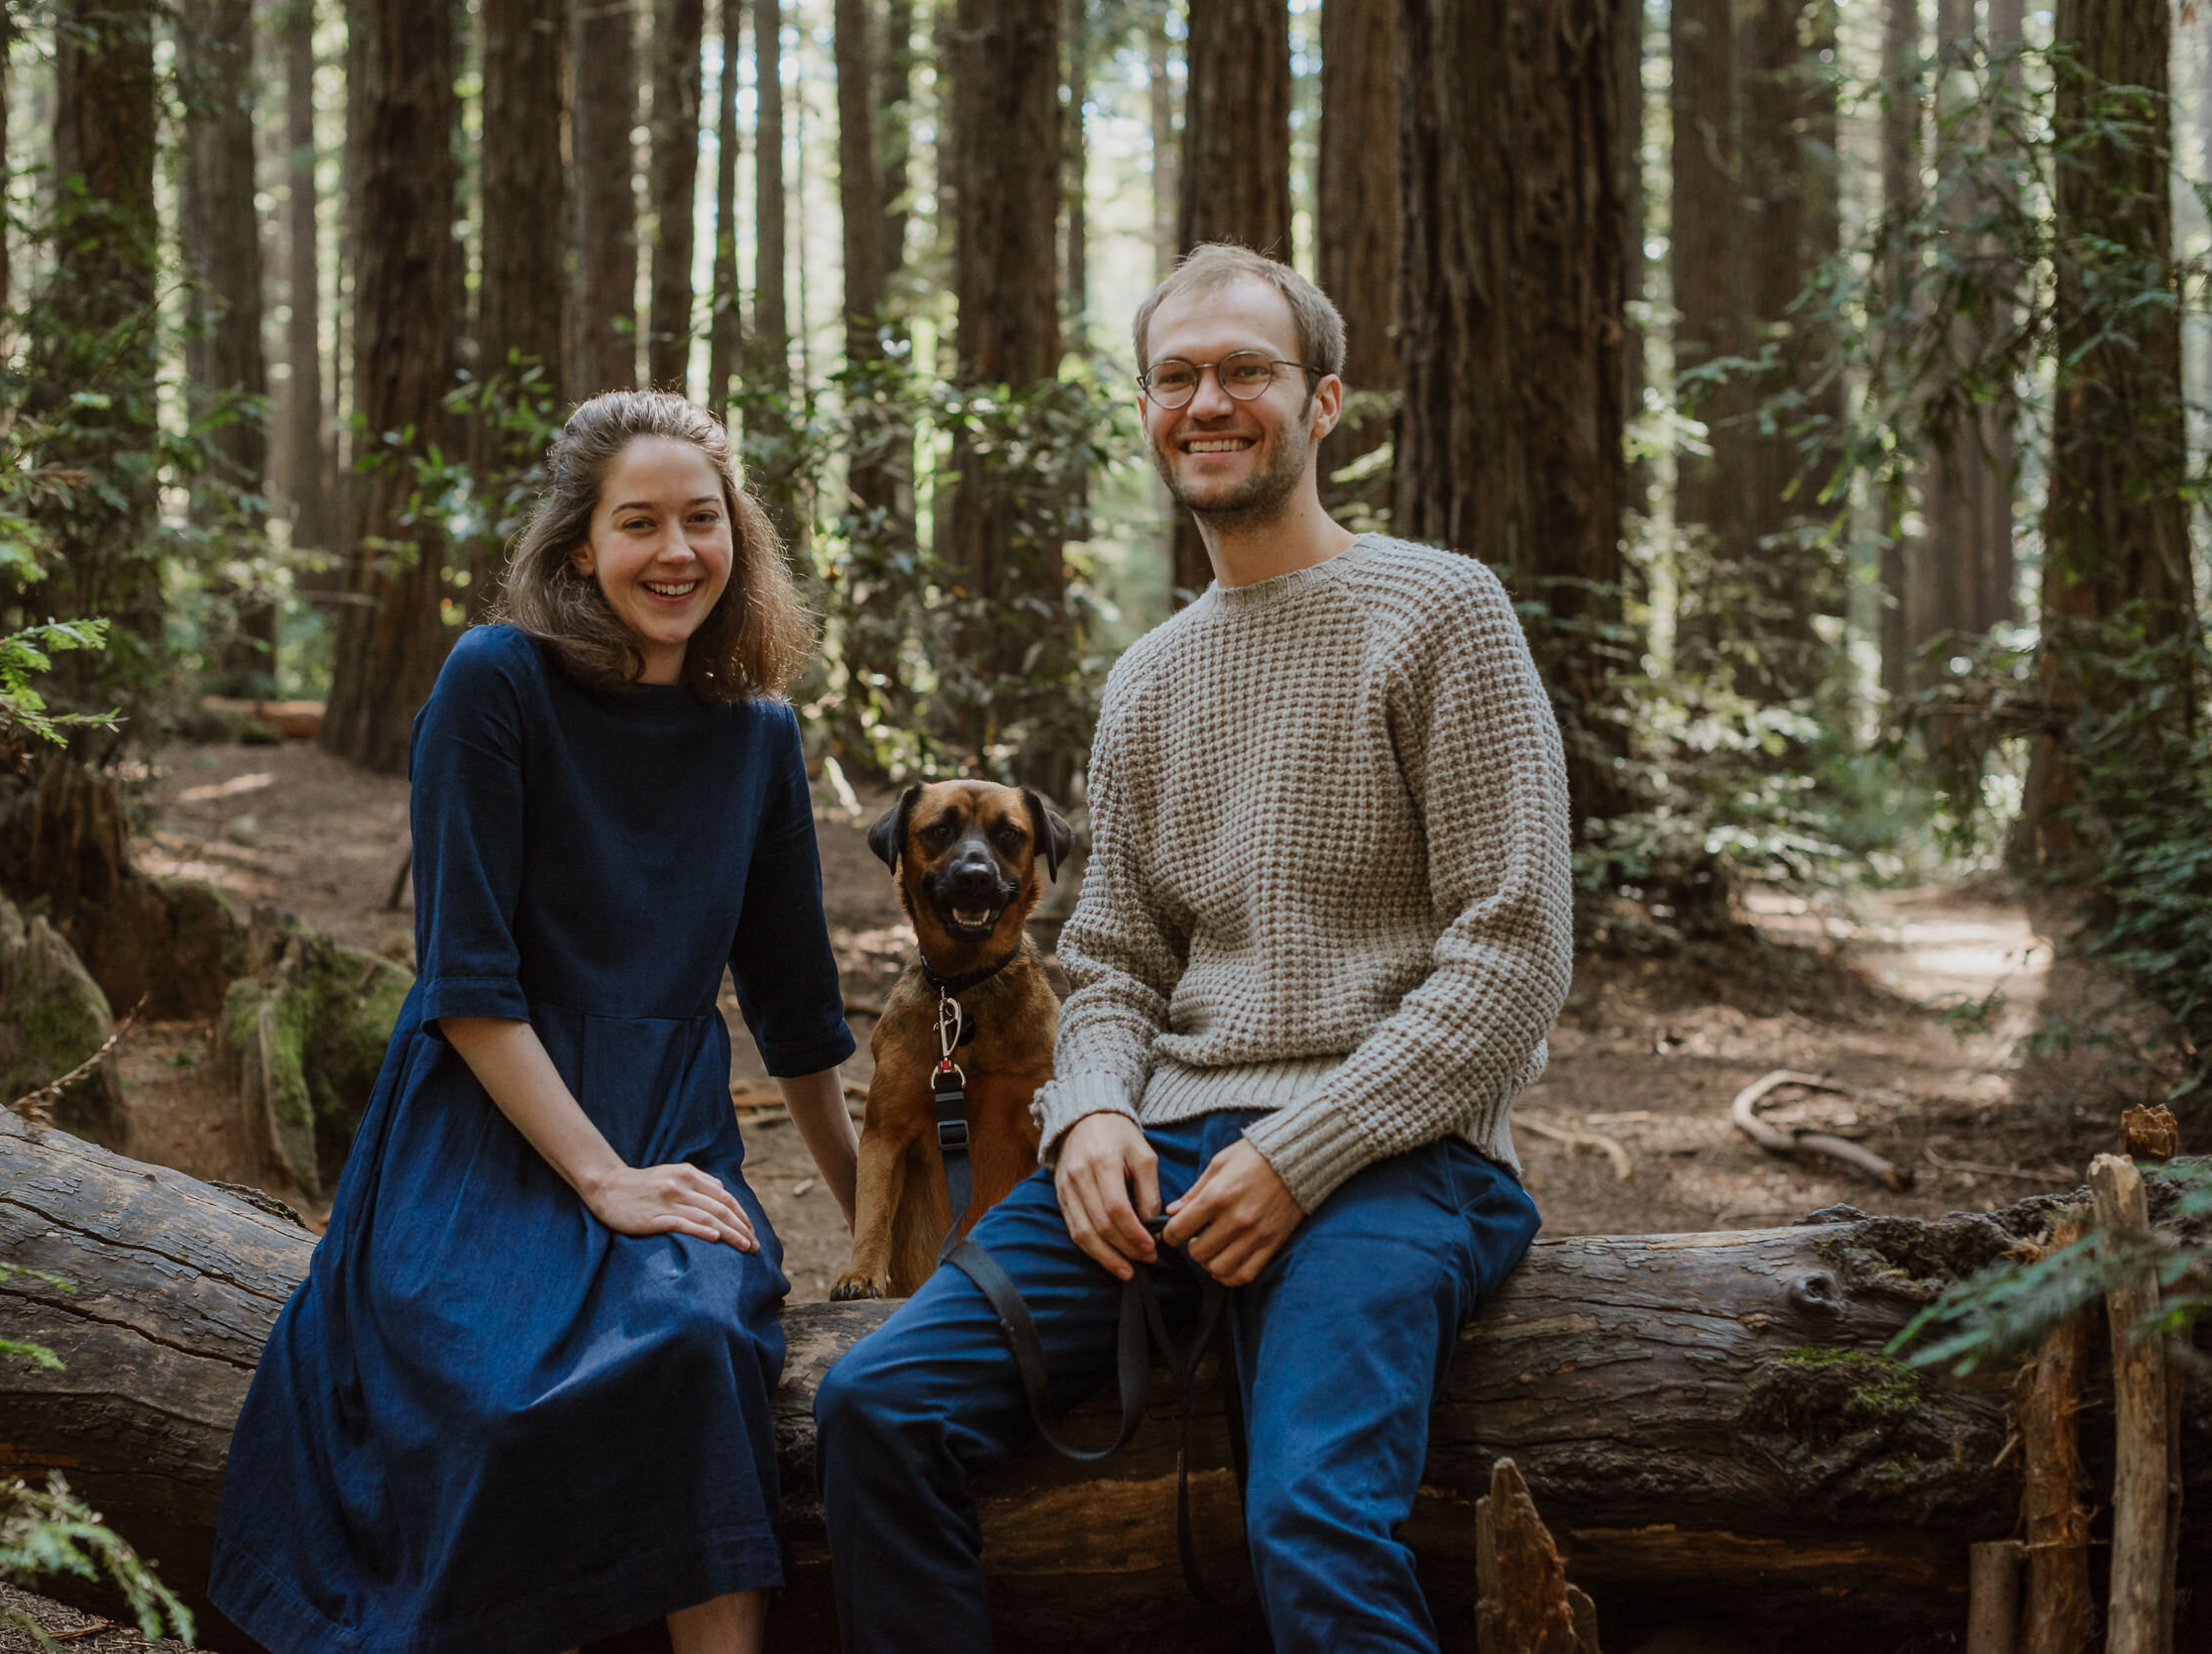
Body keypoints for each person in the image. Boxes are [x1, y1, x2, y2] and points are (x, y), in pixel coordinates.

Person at [813, 243, 1574, 1653]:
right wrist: (1092, 1110)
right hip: (1155, 1158)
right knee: (873, 1405)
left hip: (1401, 1159)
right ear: (1148, 409)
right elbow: (1118, 965)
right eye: (1177, 376)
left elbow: (1513, 953)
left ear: (1324, 401)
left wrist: (1302, 1152)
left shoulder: (1442, 611)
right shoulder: (1150, 677)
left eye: (1245, 371)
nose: (1206, 401)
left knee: (1311, 1520)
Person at [211, 390, 862, 1654]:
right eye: (639, 523)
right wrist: (603, 1179)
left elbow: (799, 1015)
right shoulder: (493, 680)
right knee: (494, 1392)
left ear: (739, 537)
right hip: (483, 1128)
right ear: (579, 546)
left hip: (668, 1120)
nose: (676, 552)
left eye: (702, 520)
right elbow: (465, 981)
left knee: (694, 1342)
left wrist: (892, 1229)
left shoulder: (759, 731)